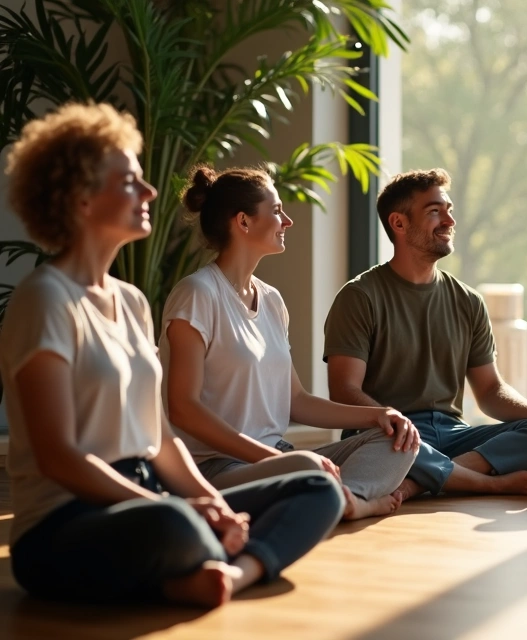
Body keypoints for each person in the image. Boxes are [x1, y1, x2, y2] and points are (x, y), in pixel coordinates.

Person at [0, 103, 342, 608]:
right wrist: (176, 505)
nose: (150, 192)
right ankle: (204, 563)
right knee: (172, 522)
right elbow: (58, 457)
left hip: (149, 496)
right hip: (65, 521)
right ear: (81, 199)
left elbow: (160, 440)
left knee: (316, 487)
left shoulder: (132, 301)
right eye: (129, 182)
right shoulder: (45, 299)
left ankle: (228, 574)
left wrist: (207, 501)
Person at [160, 166, 420, 521]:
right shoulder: (197, 294)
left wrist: (379, 415)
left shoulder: (271, 301)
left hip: (280, 459)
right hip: (217, 471)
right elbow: (183, 408)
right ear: (244, 222)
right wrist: (278, 461)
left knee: (398, 440)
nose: (288, 221)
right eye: (277, 210)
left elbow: (295, 401)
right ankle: (339, 497)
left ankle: (345, 500)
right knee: (305, 467)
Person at [324, 168, 527, 499]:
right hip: (387, 434)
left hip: (451, 432)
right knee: (391, 446)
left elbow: (489, 391)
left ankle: (420, 482)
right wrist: (394, 423)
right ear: (399, 224)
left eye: (449, 210)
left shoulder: (468, 301)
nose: (449, 220)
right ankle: (484, 482)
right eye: (434, 211)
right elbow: (343, 390)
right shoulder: (359, 297)